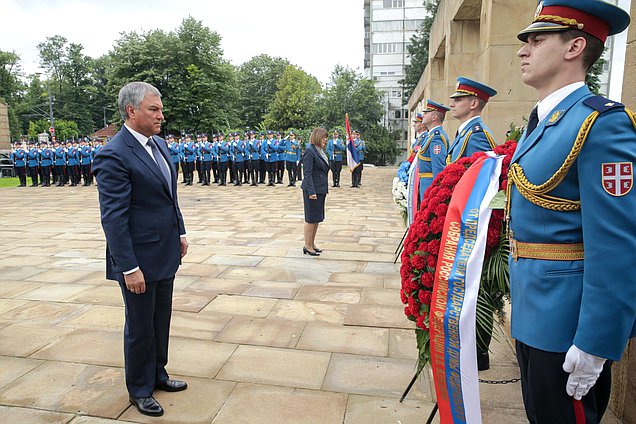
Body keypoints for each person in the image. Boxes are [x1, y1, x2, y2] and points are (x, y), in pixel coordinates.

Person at [508, 2, 634, 423]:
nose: (524, 50)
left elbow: (617, 243)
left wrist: (596, 341)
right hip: (533, 310)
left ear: (575, 46)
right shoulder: (544, 119)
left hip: (568, 323)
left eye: (537, 39)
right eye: (526, 40)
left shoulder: (601, 124)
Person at [92, 81, 188, 417]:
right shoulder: (113, 153)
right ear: (131, 111)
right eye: (154, 109)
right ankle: (139, 388)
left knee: (161, 319)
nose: (162, 115)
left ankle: (158, 373)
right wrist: (128, 267)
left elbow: (168, 196)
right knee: (140, 325)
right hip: (138, 259)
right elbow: (114, 219)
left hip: (164, 250)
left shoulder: (158, 144)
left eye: (160, 108)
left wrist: (181, 231)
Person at [447, 77, 498, 164]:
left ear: (474, 104)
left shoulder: (477, 135)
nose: (451, 104)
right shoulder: (466, 132)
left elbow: (478, 174)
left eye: (458, 100)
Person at [301, 127, 330, 256]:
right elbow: (307, 173)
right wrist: (311, 191)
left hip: (321, 189)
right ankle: (307, 245)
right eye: (324, 137)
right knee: (311, 218)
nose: (325, 140)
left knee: (317, 218)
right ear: (317, 137)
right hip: (312, 190)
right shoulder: (310, 150)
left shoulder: (319, 151)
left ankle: (311, 243)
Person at [417, 100, 450, 201]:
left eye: (426, 113)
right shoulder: (430, 136)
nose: (423, 115)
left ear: (434, 117)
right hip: (425, 182)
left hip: (430, 184)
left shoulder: (436, 138)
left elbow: (438, 167)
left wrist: (436, 192)